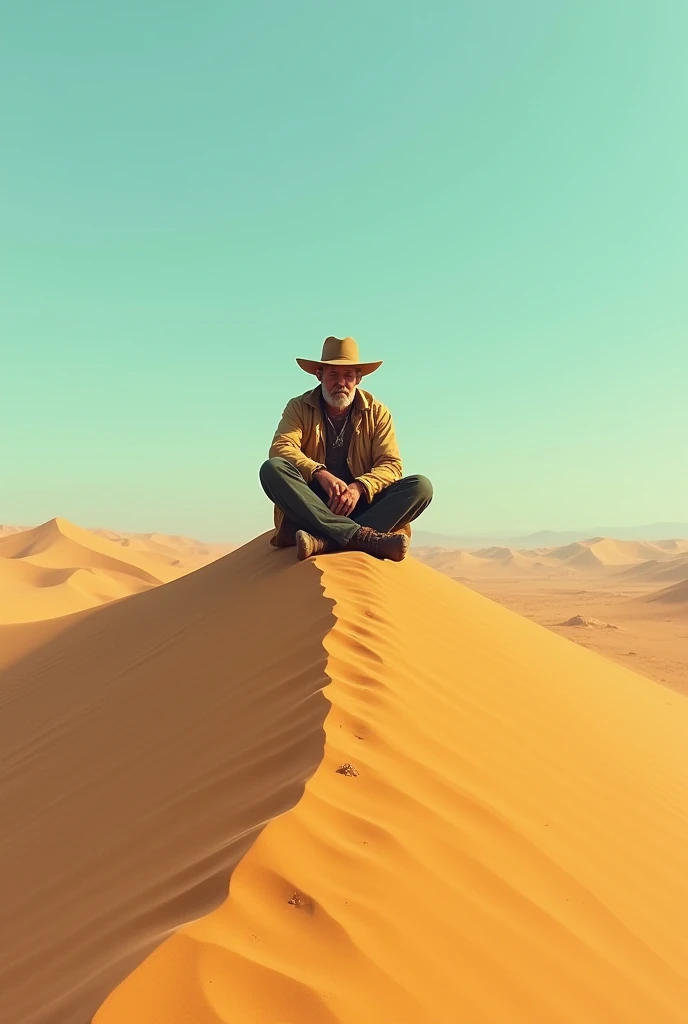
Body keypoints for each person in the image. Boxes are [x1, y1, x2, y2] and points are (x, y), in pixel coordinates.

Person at [259, 336, 433, 561]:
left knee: (421, 487)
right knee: (272, 469)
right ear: (320, 376)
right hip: (312, 507)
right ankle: (362, 538)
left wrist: (359, 487)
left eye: (348, 375)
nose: (341, 382)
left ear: (358, 379)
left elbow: (390, 465)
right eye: (333, 375)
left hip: (362, 507)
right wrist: (320, 474)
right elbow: (282, 447)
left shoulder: (378, 413)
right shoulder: (298, 408)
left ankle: (324, 541)